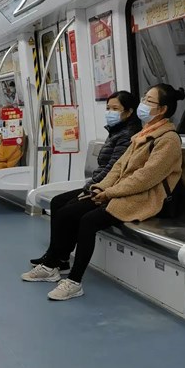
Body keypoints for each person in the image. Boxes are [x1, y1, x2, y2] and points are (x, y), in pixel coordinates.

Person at [21, 84, 184, 300]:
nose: (143, 103)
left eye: (149, 100)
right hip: (122, 192)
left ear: (162, 109)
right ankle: (54, 265)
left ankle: (74, 281)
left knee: (88, 221)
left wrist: (109, 193)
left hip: (143, 198)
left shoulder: (168, 140)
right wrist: (101, 187)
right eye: (144, 98)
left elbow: (145, 178)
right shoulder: (144, 134)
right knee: (68, 210)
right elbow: (118, 167)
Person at [29, 91, 140, 271]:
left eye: (115, 109)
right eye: (108, 108)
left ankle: (57, 259)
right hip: (98, 184)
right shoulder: (117, 131)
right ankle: (57, 256)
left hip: (109, 190)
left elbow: (113, 169)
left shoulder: (128, 135)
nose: (109, 112)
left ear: (128, 112)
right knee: (57, 202)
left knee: (68, 211)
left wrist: (90, 187)